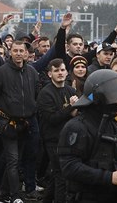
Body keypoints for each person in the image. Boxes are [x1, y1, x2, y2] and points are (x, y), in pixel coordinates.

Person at [58, 69, 117, 203]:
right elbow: (70, 167)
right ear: (99, 97)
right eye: (113, 95)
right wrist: (109, 177)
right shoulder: (77, 128)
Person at [0, 40, 40, 203]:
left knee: (16, 160)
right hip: (6, 122)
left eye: (21, 51)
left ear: (26, 53)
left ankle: (4, 194)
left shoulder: (32, 72)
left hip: (26, 122)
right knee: (13, 160)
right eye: (15, 50)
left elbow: (36, 94)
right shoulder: (2, 72)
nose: (18, 53)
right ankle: (15, 196)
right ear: (10, 52)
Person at [36, 58, 78, 203]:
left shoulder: (70, 90)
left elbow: (78, 111)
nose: (60, 73)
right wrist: (70, 108)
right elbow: (52, 118)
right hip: (53, 139)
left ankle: (46, 200)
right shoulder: (45, 93)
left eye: (62, 70)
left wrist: (74, 108)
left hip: (69, 138)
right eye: (56, 70)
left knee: (57, 174)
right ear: (49, 74)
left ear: (67, 72)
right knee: (61, 175)